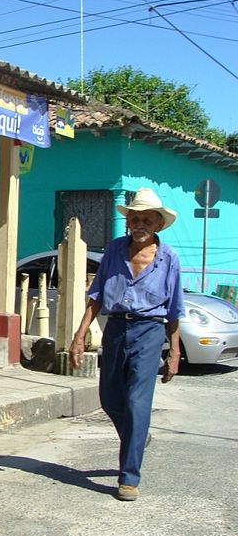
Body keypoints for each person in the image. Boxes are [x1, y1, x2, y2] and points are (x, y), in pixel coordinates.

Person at [70, 187, 184, 502]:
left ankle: (128, 477)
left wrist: (174, 351)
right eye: (135, 218)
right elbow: (96, 295)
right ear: (128, 221)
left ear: (159, 224)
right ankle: (138, 434)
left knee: (136, 402)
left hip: (150, 331)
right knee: (109, 398)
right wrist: (80, 335)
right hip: (117, 328)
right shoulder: (115, 250)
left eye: (148, 219)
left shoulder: (169, 258)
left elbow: (174, 308)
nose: (140, 224)